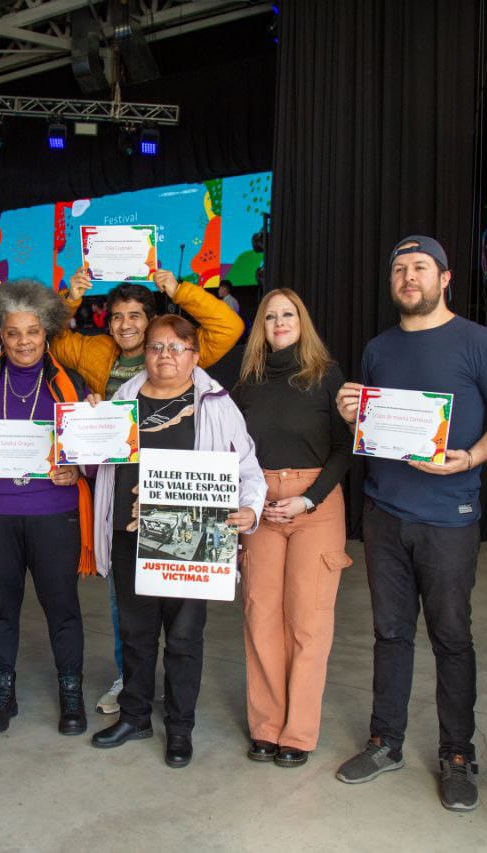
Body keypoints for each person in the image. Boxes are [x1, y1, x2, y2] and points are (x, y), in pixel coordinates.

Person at [333, 235, 487, 811]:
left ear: (445, 279)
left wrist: (469, 458)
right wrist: (352, 416)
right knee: (390, 634)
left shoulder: (479, 343)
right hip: (385, 515)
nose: (408, 276)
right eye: (399, 268)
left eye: (420, 267)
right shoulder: (377, 349)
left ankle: (457, 754)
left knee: (451, 638)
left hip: (449, 516)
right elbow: (373, 434)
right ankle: (385, 741)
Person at [57, 265, 245, 713]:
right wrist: (71, 297)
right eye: (118, 316)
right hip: (124, 499)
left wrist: (177, 289)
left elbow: (228, 326)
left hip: (183, 505)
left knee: (181, 626)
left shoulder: (183, 359)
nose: (127, 325)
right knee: (130, 615)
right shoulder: (97, 353)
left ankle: (178, 716)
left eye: (137, 317)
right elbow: (53, 339)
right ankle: (132, 688)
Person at [89, 314, 266, 768]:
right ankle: (134, 716)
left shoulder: (215, 403)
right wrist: (83, 434)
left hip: (194, 539)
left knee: (185, 637)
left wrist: (250, 508)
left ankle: (181, 728)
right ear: (143, 353)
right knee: (135, 633)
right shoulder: (122, 400)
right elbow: (96, 467)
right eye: (155, 347)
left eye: (176, 348)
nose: (164, 356)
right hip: (129, 536)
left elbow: (246, 465)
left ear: (195, 355)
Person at [0, 280, 95, 736]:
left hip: (56, 514)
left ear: (47, 332)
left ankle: (71, 695)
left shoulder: (72, 383)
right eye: (13, 333)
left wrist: (80, 468)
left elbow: (97, 449)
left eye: (32, 331)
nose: (23, 341)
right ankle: (2, 695)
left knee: (62, 607)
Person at [231, 289, 352, 768]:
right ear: (261, 327)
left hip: (314, 505)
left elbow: (345, 450)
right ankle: (266, 727)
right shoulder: (247, 382)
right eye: (270, 316)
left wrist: (307, 498)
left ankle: (297, 733)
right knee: (261, 617)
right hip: (260, 504)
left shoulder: (326, 376)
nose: (279, 322)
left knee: (308, 621)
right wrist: (254, 499)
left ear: (303, 323)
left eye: (289, 315)